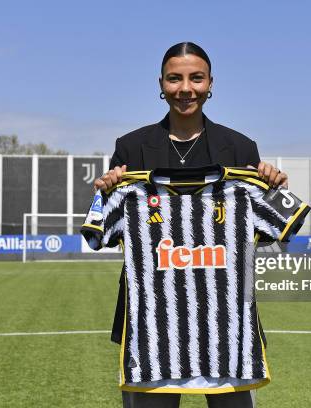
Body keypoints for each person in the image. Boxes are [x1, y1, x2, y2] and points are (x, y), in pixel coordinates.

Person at [93, 42, 288, 408]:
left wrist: (274, 190)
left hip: (225, 317)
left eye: (196, 78)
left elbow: (259, 236)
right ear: (161, 84)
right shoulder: (131, 147)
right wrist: (105, 193)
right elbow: (101, 232)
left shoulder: (241, 147)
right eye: (175, 79)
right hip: (150, 317)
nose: (185, 89)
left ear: (210, 83)